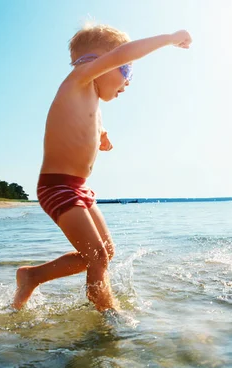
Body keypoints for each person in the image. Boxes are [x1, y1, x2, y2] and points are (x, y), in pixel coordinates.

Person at [12, 24, 192, 311]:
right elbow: (124, 53)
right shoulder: (80, 78)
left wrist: (101, 135)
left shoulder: (88, 97)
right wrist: (170, 39)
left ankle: (32, 276)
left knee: (104, 252)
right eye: (126, 70)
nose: (128, 81)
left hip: (79, 188)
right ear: (100, 62)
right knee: (97, 255)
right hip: (57, 186)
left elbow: (80, 125)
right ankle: (108, 316)